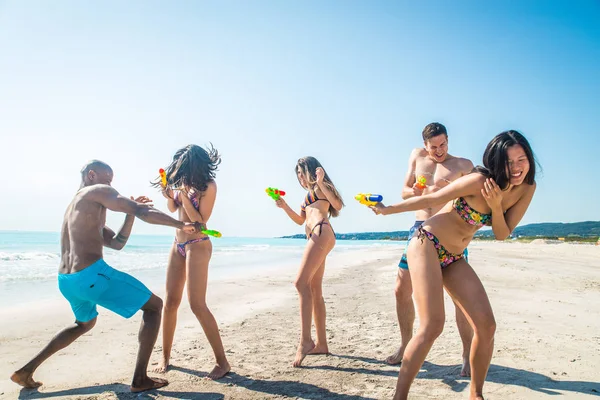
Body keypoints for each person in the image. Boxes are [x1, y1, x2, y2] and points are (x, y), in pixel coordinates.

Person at [372, 131, 537, 400]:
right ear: (497, 161)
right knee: (433, 325)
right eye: (509, 162)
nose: (517, 167)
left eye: (522, 159)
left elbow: (502, 232)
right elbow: (431, 200)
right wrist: (387, 209)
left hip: (454, 257)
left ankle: (476, 394)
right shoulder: (478, 181)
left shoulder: (527, 188)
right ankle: (398, 397)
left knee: (486, 326)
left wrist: (496, 207)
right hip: (427, 241)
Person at [11, 160, 199, 393]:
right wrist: (181, 224)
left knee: (83, 324)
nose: (111, 186)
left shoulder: (77, 208)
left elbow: (117, 243)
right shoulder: (97, 191)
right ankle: (140, 379)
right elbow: (143, 211)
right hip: (91, 275)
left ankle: (26, 370)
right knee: (154, 307)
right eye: (108, 180)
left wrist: (129, 214)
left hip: (67, 281)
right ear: (92, 175)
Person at [387, 122, 475, 379]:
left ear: (449, 140)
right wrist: (412, 190)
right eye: (434, 146)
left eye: (443, 144)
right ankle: (405, 344)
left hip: (450, 231)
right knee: (401, 289)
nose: (439, 150)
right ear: (425, 145)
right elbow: (405, 192)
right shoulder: (417, 156)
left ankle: (467, 353)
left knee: (460, 298)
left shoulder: (463, 165)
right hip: (419, 229)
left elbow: (472, 200)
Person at [152, 144, 230, 379]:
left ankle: (222, 362)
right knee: (171, 302)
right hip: (178, 246)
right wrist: (170, 194)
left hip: (198, 245)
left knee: (197, 304)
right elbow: (171, 207)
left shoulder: (209, 186)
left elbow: (200, 221)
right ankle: (165, 356)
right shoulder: (182, 183)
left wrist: (184, 197)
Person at [274, 156, 344, 367]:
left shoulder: (322, 188)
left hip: (321, 232)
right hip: (316, 234)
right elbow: (300, 220)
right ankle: (321, 344)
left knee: (299, 283)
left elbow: (338, 205)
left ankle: (305, 340)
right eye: (297, 175)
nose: (300, 178)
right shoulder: (307, 197)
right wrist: (285, 206)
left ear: (312, 172)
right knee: (314, 290)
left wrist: (321, 181)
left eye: (302, 173)